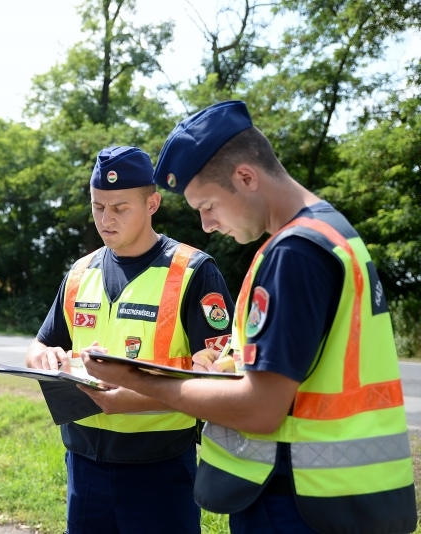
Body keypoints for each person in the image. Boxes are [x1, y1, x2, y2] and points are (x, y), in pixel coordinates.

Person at [81, 101, 418, 534]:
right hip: (338, 498)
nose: (206, 224)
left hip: (299, 501)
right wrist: (225, 367)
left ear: (245, 177)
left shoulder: (294, 253)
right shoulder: (332, 234)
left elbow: (261, 409)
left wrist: (135, 378)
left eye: (207, 205)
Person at [25, 145, 235, 534]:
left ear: (152, 203)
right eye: (98, 206)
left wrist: (135, 397)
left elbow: (221, 379)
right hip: (84, 464)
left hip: (160, 469)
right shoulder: (80, 272)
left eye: (120, 208)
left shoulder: (193, 272)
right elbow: (39, 345)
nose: (106, 219)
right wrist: (43, 357)